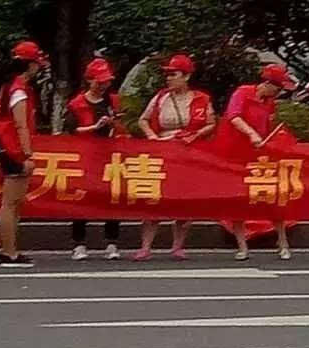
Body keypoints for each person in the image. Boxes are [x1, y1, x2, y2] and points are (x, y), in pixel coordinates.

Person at [134, 53, 215, 260]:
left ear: (186, 77)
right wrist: (152, 136)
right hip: (163, 152)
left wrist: (195, 135)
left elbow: (211, 124)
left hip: (188, 154)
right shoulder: (160, 97)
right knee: (155, 199)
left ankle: (178, 246)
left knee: (185, 201)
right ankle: (146, 246)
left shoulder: (202, 99)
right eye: (167, 74)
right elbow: (142, 120)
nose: (169, 78)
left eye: (174, 74)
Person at [224, 63, 298, 261]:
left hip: (260, 156)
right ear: (268, 83)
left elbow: (268, 126)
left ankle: (282, 242)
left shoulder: (269, 102)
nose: (279, 92)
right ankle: (242, 246)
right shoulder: (242, 93)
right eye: (278, 88)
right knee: (238, 200)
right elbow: (234, 117)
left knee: (273, 198)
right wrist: (252, 134)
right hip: (236, 155)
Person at [64, 58, 124, 261]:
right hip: (85, 155)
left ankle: (112, 242)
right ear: (89, 80)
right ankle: (79, 243)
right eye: (99, 82)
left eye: (106, 82)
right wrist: (94, 128)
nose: (103, 86)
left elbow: (121, 126)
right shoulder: (77, 103)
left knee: (112, 197)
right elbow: (72, 130)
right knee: (82, 197)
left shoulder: (113, 100)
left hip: (109, 155)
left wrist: (114, 123)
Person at [0, 41, 48, 268]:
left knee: (13, 202)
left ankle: (5, 246)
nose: (39, 67)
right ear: (31, 65)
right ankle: (9, 251)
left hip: (5, 145)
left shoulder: (8, 86)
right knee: (11, 202)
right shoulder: (18, 90)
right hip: (13, 148)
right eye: (37, 63)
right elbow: (21, 125)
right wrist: (27, 155)